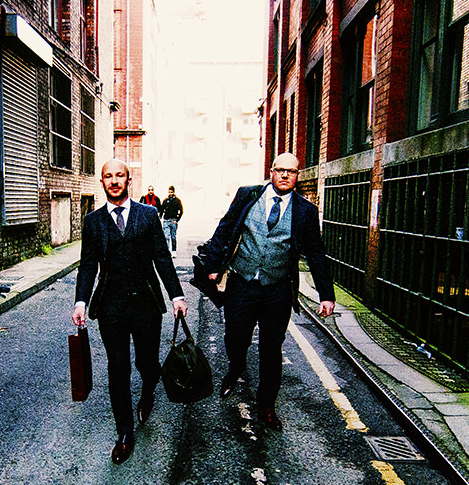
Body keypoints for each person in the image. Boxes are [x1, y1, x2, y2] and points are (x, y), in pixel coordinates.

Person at [198, 152, 335, 430]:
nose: (285, 175)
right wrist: (213, 265)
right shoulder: (248, 195)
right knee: (235, 337)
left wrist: (326, 294)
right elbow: (224, 229)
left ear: (298, 175)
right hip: (241, 282)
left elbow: (316, 254)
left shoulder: (306, 211)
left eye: (292, 171)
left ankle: (267, 405)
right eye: (280, 170)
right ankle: (236, 369)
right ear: (271, 171)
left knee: (272, 347)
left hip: (278, 289)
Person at [73, 159, 187, 464]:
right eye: (108, 176)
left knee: (146, 362)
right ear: (102, 182)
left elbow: (162, 258)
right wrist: (80, 301)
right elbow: (87, 266)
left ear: (128, 179)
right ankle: (124, 432)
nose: (113, 180)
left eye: (119, 175)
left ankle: (149, 390)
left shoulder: (148, 215)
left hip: (146, 305)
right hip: (111, 308)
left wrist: (176, 295)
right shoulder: (93, 222)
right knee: (118, 367)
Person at [159, 185, 184, 252]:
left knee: (173, 237)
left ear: (174, 192)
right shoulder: (165, 201)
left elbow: (181, 210)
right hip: (166, 220)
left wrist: (177, 219)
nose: (170, 194)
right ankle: (167, 251)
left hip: (173, 220)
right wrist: (160, 217)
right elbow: (162, 210)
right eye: (169, 192)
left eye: (171, 192)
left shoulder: (177, 201)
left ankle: (173, 251)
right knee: (166, 236)